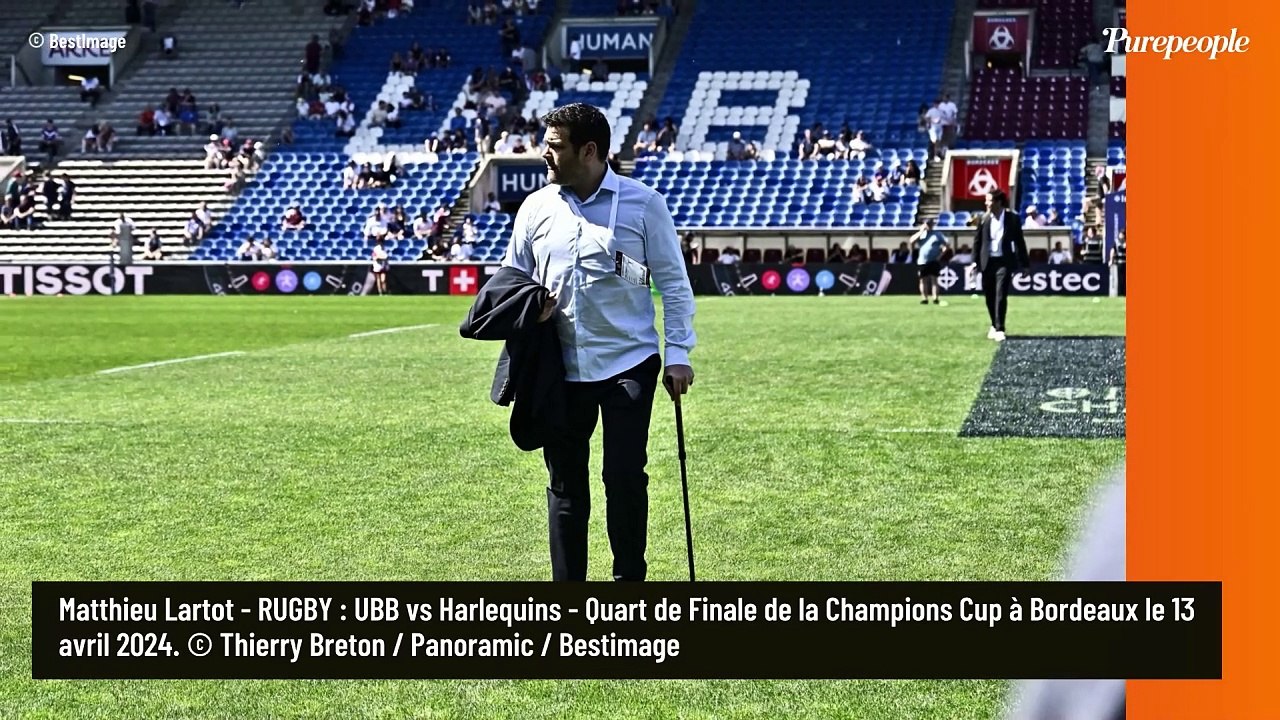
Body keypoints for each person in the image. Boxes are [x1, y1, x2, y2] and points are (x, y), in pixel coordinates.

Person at [500, 103, 696, 582]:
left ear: (589, 150)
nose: (545, 155)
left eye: (555, 147)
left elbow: (673, 283)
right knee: (565, 486)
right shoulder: (535, 208)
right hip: (560, 370)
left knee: (624, 477)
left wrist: (679, 354)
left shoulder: (644, 204)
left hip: (629, 363)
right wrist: (529, 308)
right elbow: (511, 281)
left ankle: (628, 582)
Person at [970, 189, 1030, 341]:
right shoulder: (983, 219)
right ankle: (993, 324)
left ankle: (1000, 328)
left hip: (1004, 261)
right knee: (989, 296)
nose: (986, 203)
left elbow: (1019, 242)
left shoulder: (1012, 219)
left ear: (998, 202)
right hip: (987, 261)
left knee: (1001, 294)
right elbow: (977, 242)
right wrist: (974, 262)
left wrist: (1025, 264)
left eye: (989, 200)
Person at [911, 219, 948, 305]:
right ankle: (924, 298)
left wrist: (940, 255)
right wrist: (921, 231)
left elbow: (946, 244)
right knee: (923, 280)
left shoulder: (937, 234)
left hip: (934, 260)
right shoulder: (922, 234)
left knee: (934, 279)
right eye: (927, 224)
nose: (929, 225)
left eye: (930, 224)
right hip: (922, 261)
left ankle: (935, 298)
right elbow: (911, 241)